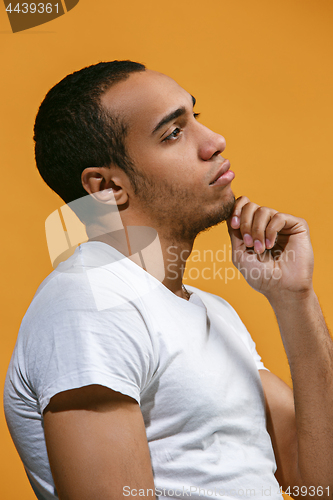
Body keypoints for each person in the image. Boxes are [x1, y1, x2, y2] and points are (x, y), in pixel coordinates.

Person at [3, 60, 333, 500]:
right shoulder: (89, 305)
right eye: (173, 133)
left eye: (195, 117)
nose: (215, 142)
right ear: (107, 187)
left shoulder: (210, 311)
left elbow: (319, 483)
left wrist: (296, 299)